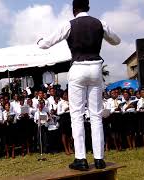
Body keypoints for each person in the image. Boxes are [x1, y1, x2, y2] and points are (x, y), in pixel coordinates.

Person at [38, 0, 121, 170]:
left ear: (74, 9)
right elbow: (116, 41)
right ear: (88, 7)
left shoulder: (69, 24)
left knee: (77, 115)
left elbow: (46, 44)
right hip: (96, 69)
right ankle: (99, 159)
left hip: (78, 68)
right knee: (96, 115)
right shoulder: (100, 23)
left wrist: (39, 41)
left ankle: (81, 159)